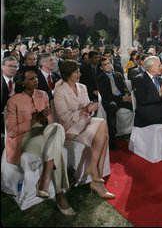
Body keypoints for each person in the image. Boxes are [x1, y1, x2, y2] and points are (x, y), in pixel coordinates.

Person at [5, 66, 75, 216]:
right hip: (25, 137)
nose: (36, 81)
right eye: (31, 79)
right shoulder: (13, 101)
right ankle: (60, 194)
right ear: (22, 82)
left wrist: (45, 117)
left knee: (56, 127)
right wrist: (31, 122)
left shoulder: (43, 95)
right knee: (57, 150)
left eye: (36, 77)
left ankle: (44, 179)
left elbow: (49, 121)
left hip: (45, 132)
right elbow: (11, 131)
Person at [53, 60, 115, 199]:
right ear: (68, 74)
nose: (80, 74)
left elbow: (87, 106)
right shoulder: (60, 91)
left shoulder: (82, 87)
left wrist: (90, 108)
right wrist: (83, 111)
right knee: (104, 134)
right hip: (70, 128)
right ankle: (97, 177)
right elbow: (62, 117)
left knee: (102, 125)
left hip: (85, 122)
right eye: (77, 72)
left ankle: (95, 173)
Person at [96, 57, 133, 150]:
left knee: (135, 104)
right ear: (101, 68)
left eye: (108, 63)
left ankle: (136, 132)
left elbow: (124, 88)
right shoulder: (100, 79)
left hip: (122, 99)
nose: (108, 66)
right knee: (112, 107)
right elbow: (106, 95)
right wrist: (122, 98)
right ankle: (112, 137)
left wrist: (128, 95)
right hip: (110, 100)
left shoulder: (118, 75)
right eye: (105, 65)